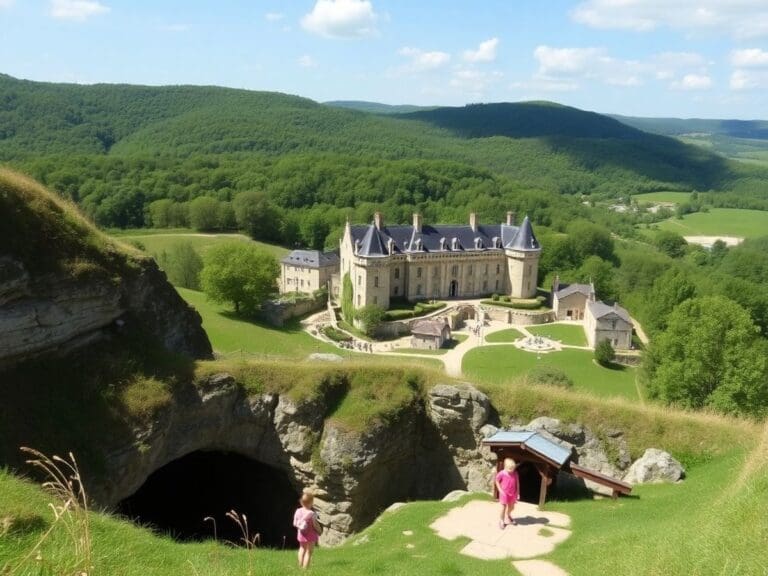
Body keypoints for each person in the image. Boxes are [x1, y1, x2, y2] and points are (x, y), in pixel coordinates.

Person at [293, 489, 322, 569]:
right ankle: (305, 569)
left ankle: (300, 565)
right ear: (311, 503)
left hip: (301, 534)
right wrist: (319, 531)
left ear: (301, 502)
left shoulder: (298, 511)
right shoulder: (312, 514)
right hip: (311, 535)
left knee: (302, 549)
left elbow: (295, 523)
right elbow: (315, 524)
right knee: (309, 552)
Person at [495, 457, 520, 529]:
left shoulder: (515, 473)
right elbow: (496, 480)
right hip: (504, 494)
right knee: (503, 507)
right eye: (510, 469)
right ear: (505, 467)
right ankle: (502, 520)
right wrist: (500, 490)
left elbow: (517, 483)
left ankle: (508, 515)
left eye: (513, 469)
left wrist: (518, 493)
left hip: (513, 494)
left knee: (512, 507)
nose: (511, 470)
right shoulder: (501, 473)